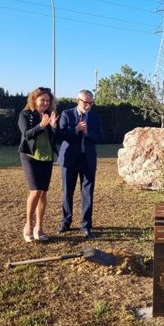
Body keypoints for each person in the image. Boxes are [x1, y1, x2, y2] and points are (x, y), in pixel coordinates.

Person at [57, 89, 104, 239]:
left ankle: (86, 225)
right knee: (67, 192)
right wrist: (76, 129)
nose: (88, 105)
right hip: (69, 159)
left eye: (91, 103)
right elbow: (60, 135)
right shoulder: (67, 114)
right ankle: (66, 222)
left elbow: (102, 137)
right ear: (78, 101)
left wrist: (88, 133)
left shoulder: (95, 118)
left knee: (87, 193)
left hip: (88, 159)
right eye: (85, 102)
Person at [18, 87, 58, 243]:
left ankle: (39, 228)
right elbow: (27, 134)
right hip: (30, 156)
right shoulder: (25, 114)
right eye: (43, 100)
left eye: (48, 101)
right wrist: (42, 125)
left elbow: (56, 137)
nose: (45, 103)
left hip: (46, 156)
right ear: (34, 99)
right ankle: (28, 225)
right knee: (35, 191)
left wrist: (53, 126)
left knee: (43, 192)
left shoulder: (49, 115)